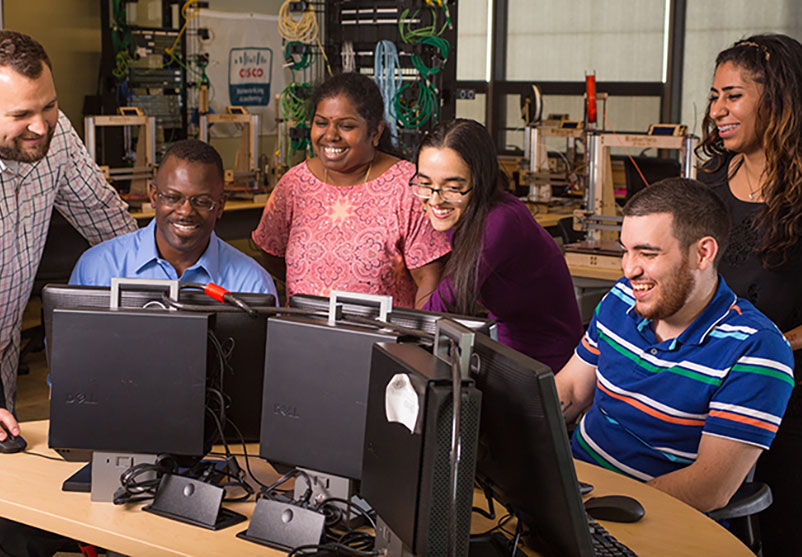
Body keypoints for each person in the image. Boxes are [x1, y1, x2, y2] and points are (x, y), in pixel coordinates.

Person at [556, 178, 793, 513]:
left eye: (647, 253)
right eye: (626, 251)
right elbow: (570, 390)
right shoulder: (621, 298)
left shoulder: (757, 348)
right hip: (574, 488)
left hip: (649, 519)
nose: (629, 269)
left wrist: (594, 510)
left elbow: (709, 487)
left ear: (703, 253)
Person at [0, 30, 136, 557]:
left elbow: (110, 223)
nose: (40, 126)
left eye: (50, 106)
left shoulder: (54, 140)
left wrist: (174, 298)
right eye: (20, 116)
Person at [696, 34, 802, 555]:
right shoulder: (713, 176)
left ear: (778, 100)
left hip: (789, 395)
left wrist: (770, 344)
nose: (717, 110)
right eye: (715, 96)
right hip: (712, 386)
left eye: (732, 96)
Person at [252, 72, 449, 308]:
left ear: (375, 132)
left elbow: (429, 278)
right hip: (302, 334)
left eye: (346, 126)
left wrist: (417, 337)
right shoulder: (295, 183)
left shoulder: (408, 187)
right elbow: (271, 253)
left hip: (380, 339)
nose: (330, 136)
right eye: (321, 123)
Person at [414, 119, 582, 372]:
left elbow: (440, 308)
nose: (435, 199)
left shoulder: (500, 222)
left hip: (546, 364)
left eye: (453, 188)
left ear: (479, 181)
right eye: (425, 184)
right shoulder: (464, 215)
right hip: (503, 348)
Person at [70, 139, 277, 298]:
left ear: (220, 205)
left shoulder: (252, 285)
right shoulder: (98, 269)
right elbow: (68, 347)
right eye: (172, 198)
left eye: (202, 201)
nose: (186, 212)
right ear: (153, 196)